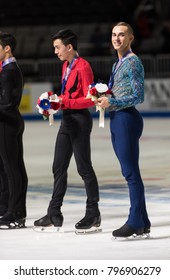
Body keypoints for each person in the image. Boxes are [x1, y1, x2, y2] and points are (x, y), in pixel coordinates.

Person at [34, 29, 101, 232]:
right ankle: (54, 213)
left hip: (80, 121)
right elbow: (67, 95)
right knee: (58, 166)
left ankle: (93, 213)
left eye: (57, 47)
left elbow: (91, 99)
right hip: (67, 120)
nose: (55, 51)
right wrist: (56, 102)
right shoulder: (66, 66)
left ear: (69, 47)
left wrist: (65, 101)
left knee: (84, 168)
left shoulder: (83, 66)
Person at [98, 22, 151, 238]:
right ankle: (144, 221)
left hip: (127, 119)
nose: (116, 39)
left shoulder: (132, 62)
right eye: (113, 35)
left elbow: (139, 96)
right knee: (130, 172)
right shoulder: (117, 64)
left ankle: (135, 222)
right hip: (118, 118)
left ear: (130, 38)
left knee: (131, 173)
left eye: (121, 35)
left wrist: (112, 103)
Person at [0, 31, 28, 229]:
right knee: (8, 168)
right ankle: (7, 208)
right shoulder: (10, 69)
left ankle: (15, 213)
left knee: (12, 169)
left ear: (7, 48)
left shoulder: (9, 71)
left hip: (6, 123)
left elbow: (7, 103)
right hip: (10, 122)